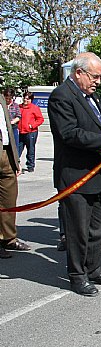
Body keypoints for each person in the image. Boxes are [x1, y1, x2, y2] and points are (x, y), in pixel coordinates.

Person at [48, 52, 101, 296]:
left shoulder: (93, 98)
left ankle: (94, 268)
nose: (99, 81)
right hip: (77, 177)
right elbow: (69, 134)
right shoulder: (62, 97)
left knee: (98, 229)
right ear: (78, 73)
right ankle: (77, 275)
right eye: (94, 76)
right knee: (78, 231)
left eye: (100, 77)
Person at [0, 94, 31, 259]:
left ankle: (8, 238)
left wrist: (15, 158)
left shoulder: (1, 99)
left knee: (9, 201)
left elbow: (8, 130)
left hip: (6, 154)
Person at [17, 91, 44, 173]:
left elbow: (40, 119)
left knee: (30, 149)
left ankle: (30, 165)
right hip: (20, 132)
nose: (25, 100)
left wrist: (32, 125)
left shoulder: (35, 108)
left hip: (31, 132)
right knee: (17, 149)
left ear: (31, 100)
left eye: (28, 99)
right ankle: (15, 164)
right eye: (24, 98)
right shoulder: (19, 107)